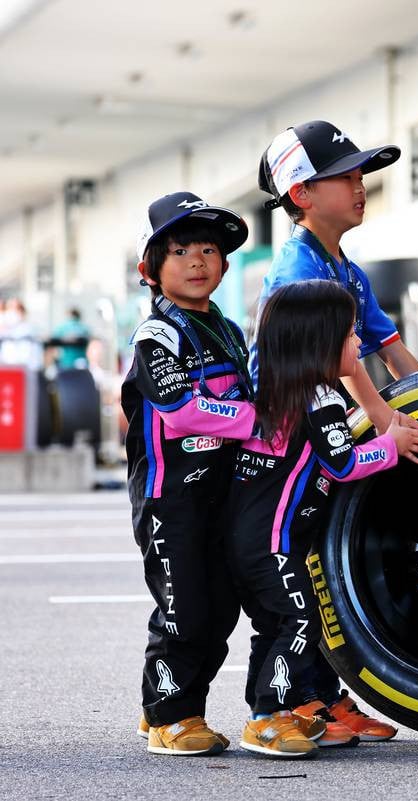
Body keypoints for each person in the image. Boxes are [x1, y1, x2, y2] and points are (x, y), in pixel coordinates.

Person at [254, 119, 418, 743]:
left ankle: (326, 699)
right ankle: (294, 704)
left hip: (324, 423)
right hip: (288, 445)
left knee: (322, 573)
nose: (361, 187)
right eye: (347, 177)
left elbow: (390, 347)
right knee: (299, 581)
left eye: (362, 176)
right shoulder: (298, 269)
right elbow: (346, 363)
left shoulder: (342, 264)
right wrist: (391, 425)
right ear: (302, 194)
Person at [228, 280, 418, 758]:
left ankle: (277, 710)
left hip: (253, 543)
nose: (358, 344)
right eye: (349, 336)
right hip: (273, 544)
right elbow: (343, 463)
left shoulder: (282, 392)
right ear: (318, 341)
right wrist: (392, 445)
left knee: (276, 626)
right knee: (299, 621)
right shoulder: (320, 399)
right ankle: (266, 719)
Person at [121, 192, 256, 756]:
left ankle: (169, 708)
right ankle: (171, 716)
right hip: (168, 499)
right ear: (149, 271)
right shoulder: (158, 336)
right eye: (180, 251)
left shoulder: (228, 331)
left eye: (209, 250)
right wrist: (258, 420)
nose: (198, 260)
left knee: (221, 608)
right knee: (185, 607)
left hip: (221, 495)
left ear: (225, 266)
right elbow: (183, 411)